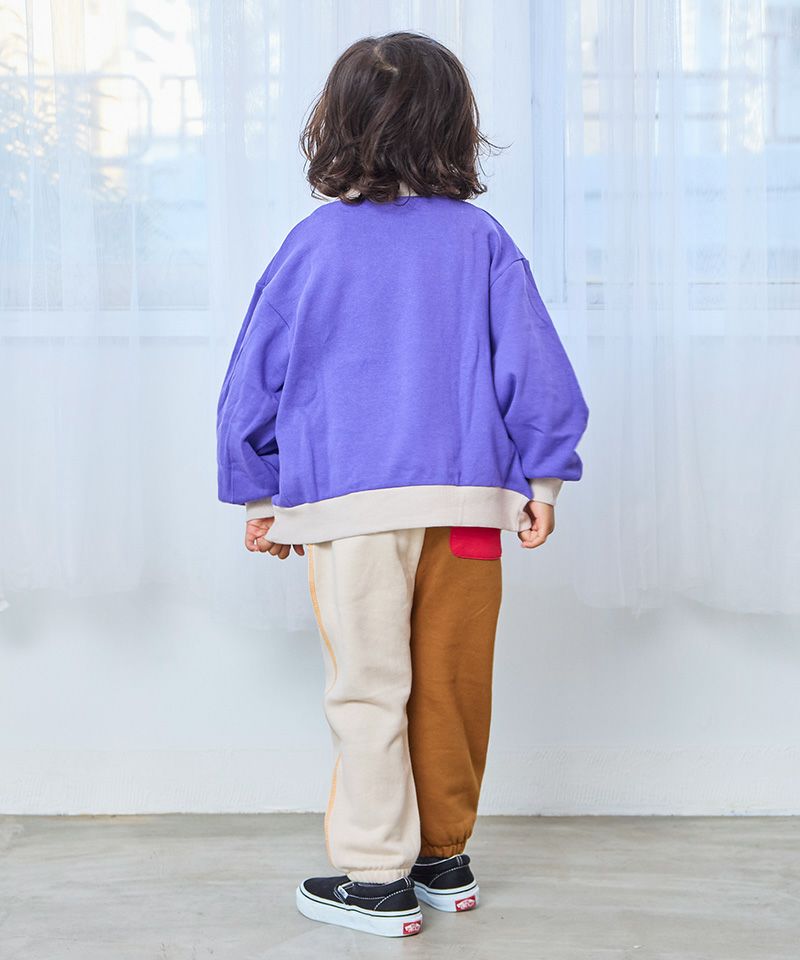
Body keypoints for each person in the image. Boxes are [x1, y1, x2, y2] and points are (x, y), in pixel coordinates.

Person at [216, 31, 588, 939]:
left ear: (336, 125)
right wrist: (543, 481)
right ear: (455, 126)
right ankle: (443, 860)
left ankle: (377, 877)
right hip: (469, 510)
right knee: (453, 681)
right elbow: (535, 365)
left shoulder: (311, 246)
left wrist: (262, 495)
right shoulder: (480, 240)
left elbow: (254, 379)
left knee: (369, 686)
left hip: (350, 512)